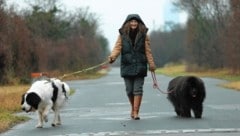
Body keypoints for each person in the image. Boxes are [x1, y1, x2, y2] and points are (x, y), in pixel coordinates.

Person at [108, 14, 156, 120]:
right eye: (131, 21)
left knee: (137, 89)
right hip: (127, 66)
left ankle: (136, 112)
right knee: (129, 90)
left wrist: (151, 64)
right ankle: (133, 108)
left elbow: (148, 51)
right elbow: (117, 47)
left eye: (135, 21)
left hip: (140, 65)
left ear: (139, 23)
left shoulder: (144, 35)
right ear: (128, 23)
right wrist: (112, 57)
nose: (133, 23)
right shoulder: (122, 35)